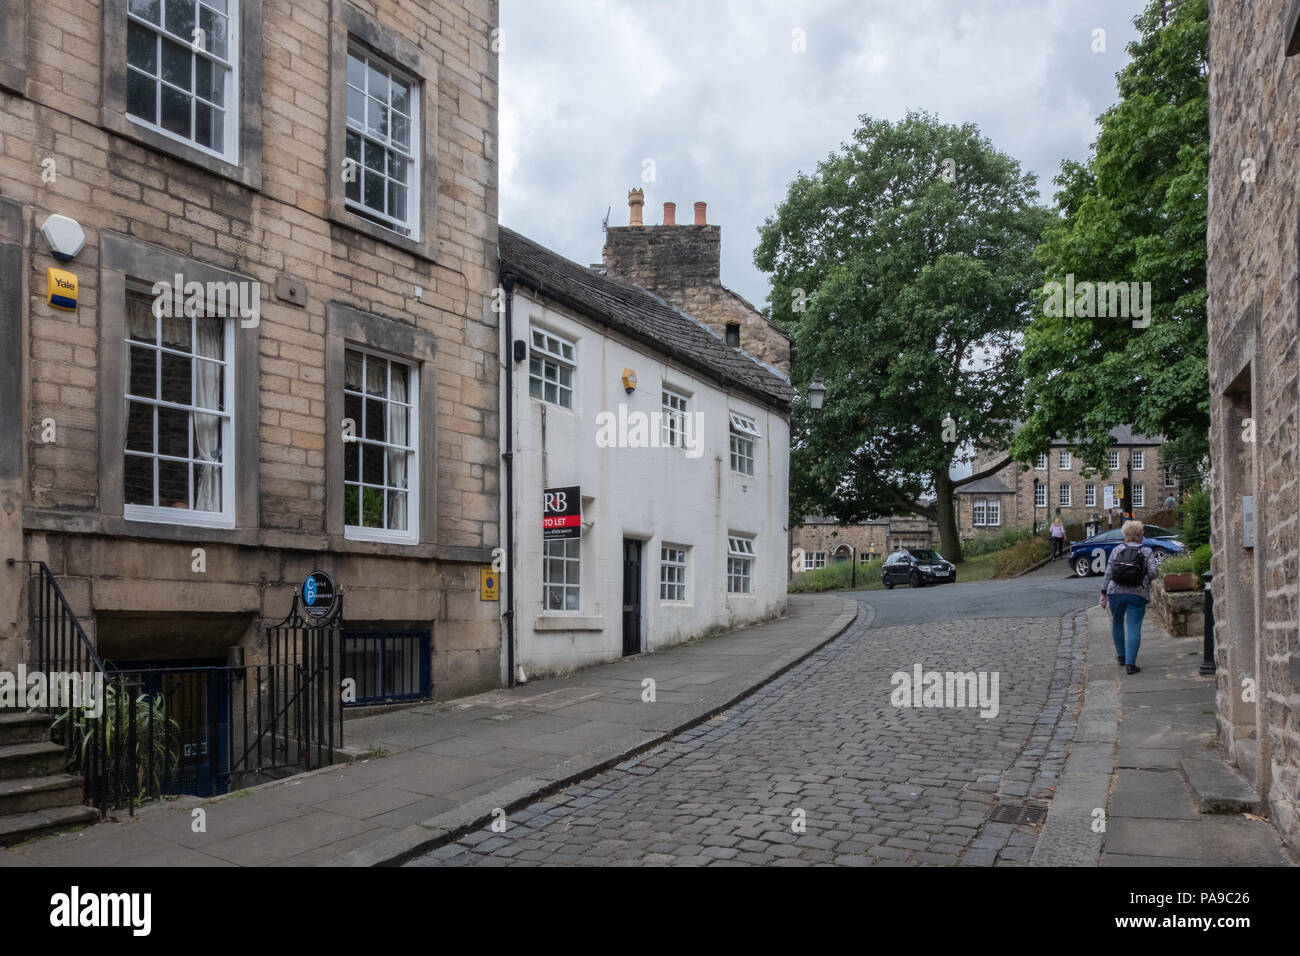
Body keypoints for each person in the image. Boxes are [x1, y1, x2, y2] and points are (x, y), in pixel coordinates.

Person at [1099, 519, 1160, 674]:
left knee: (1117, 623)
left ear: (1125, 534)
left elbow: (1109, 573)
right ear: (1140, 535)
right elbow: (1153, 573)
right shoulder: (1146, 552)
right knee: (1134, 627)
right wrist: (1144, 576)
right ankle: (1131, 665)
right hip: (1137, 593)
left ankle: (1121, 656)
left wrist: (1103, 593)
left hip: (1115, 593)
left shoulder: (1117, 550)